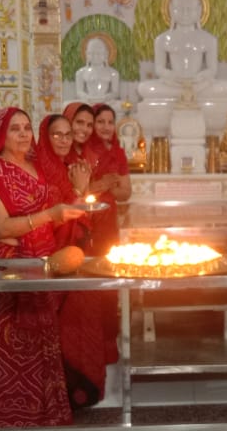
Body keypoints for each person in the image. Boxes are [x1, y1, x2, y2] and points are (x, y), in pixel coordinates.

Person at [0, 107, 88, 427]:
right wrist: (50, 215)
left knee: (41, 347)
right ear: (1, 135)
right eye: (15, 129)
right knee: (6, 349)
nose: (23, 134)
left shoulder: (36, 167)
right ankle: (5, 420)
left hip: (41, 267)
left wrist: (75, 203)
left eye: (27, 128)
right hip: (7, 273)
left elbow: (52, 216)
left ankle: (43, 418)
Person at [36, 113, 117, 404]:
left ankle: (83, 387)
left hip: (78, 253)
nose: (63, 140)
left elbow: (83, 215)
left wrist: (81, 191)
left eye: (67, 134)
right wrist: (81, 191)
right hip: (54, 255)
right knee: (60, 327)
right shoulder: (39, 171)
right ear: (45, 137)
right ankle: (60, 391)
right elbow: (51, 217)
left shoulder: (72, 167)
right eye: (57, 134)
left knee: (83, 321)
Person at [136, 0, 227, 103]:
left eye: (189, 9)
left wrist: (200, 77)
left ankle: (188, 94)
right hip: (173, 85)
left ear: (199, 10)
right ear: (171, 9)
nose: (185, 14)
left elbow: (212, 69)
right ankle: (184, 94)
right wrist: (172, 76)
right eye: (180, 9)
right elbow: (159, 68)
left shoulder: (208, 39)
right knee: (145, 88)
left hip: (200, 85)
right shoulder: (162, 39)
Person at [85, 103, 133, 256]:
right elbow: (75, 191)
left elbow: (125, 193)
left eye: (110, 122)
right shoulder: (82, 149)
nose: (106, 127)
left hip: (108, 216)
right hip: (84, 216)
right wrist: (101, 185)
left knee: (107, 256)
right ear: (92, 124)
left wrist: (108, 187)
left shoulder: (118, 153)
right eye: (100, 122)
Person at [74, 37, 121, 104]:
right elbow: (79, 92)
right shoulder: (80, 72)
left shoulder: (113, 73)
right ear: (87, 54)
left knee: (121, 105)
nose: (95, 57)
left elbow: (115, 93)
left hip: (107, 102)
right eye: (92, 53)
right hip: (88, 102)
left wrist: (106, 97)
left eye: (98, 53)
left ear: (106, 54)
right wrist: (87, 97)